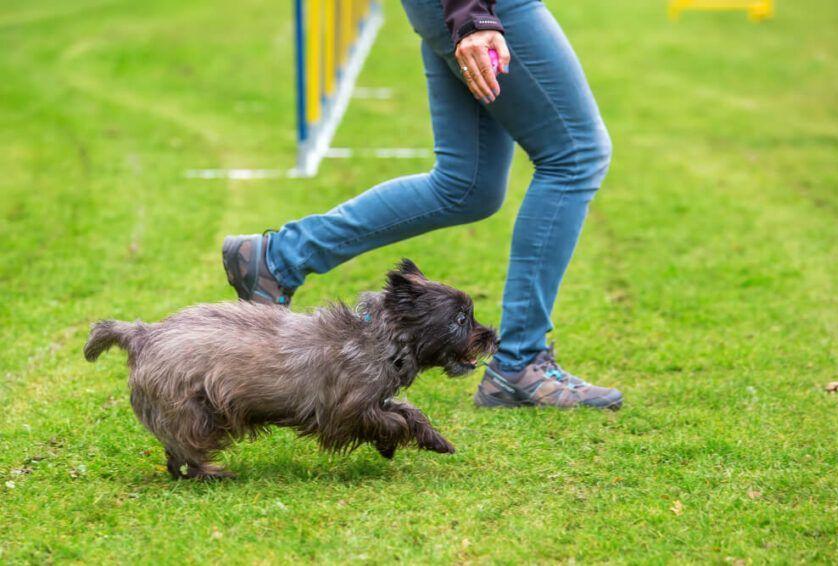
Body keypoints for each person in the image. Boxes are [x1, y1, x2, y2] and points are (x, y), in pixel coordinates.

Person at [222, 0, 622, 410]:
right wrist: (473, 18)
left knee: (467, 185)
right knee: (575, 156)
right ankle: (522, 361)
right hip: (483, 9)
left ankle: (279, 257)